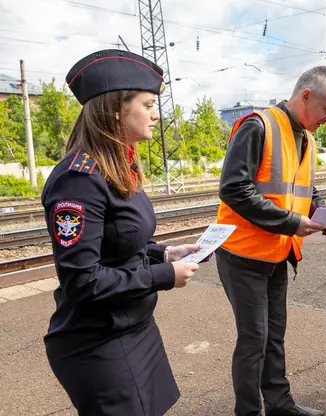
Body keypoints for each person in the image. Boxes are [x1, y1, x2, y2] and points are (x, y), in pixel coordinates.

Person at [41, 49, 202, 415]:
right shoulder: (78, 181)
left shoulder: (117, 166)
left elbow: (125, 242)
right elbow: (82, 281)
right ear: (116, 109)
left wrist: (164, 253)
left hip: (134, 326)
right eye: (147, 104)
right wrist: (164, 275)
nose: (156, 113)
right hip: (97, 341)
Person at [215, 65, 326, 416]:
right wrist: (290, 222)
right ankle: (249, 411)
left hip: (277, 252)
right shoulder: (258, 126)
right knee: (253, 341)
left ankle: (279, 402)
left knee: (274, 336)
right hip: (242, 253)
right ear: (306, 96)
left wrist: (323, 214)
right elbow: (233, 188)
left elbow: (304, 189)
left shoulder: (306, 136)